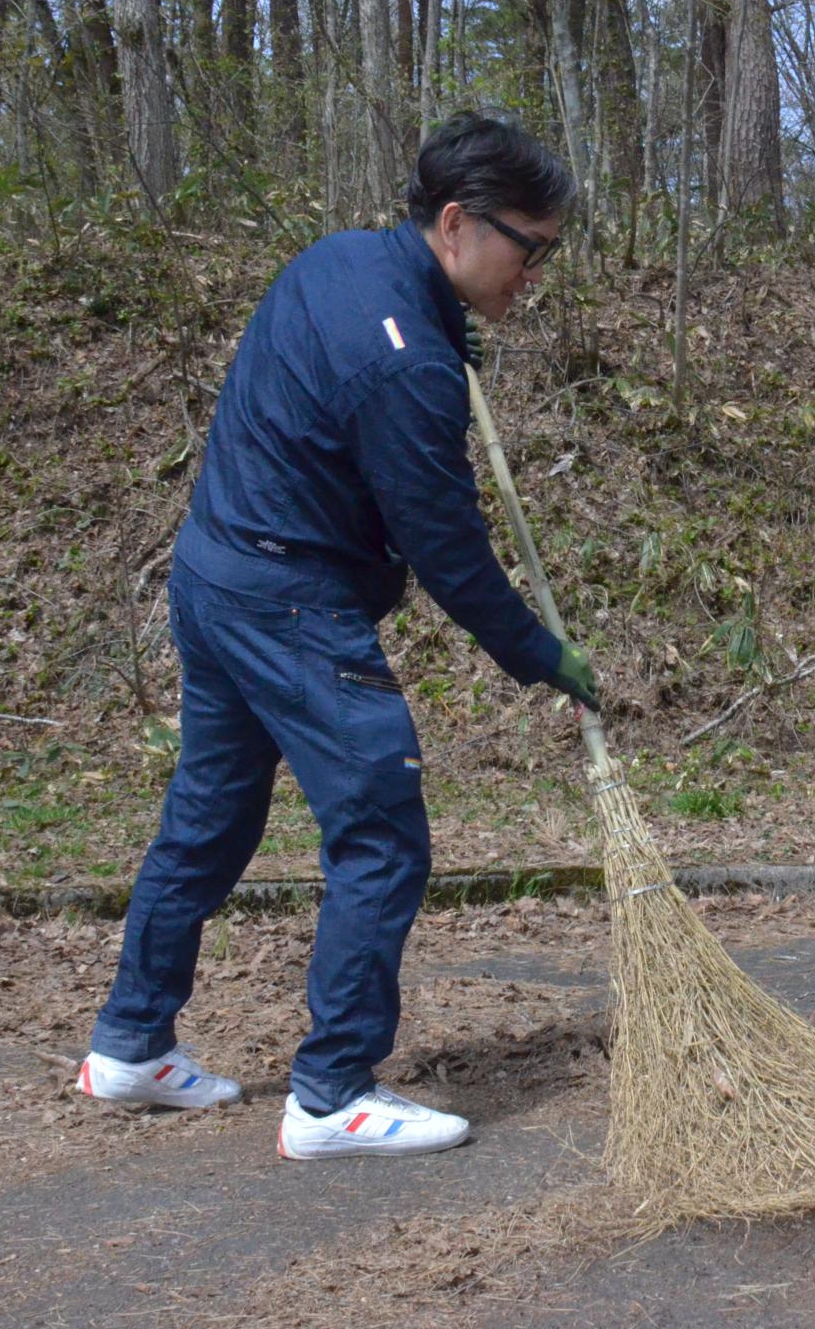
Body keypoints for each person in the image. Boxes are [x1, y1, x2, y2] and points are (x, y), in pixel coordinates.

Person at [75, 112, 601, 1159]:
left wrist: (453, 338)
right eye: (528, 249)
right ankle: (329, 1096)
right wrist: (540, 656)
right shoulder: (406, 364)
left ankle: (130, 1043)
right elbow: (447, 552)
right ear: (456, 223)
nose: (535, 272)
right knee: (380, 831)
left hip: (214, 570)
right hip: (288, 604)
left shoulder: (344, 263)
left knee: (212, 816)